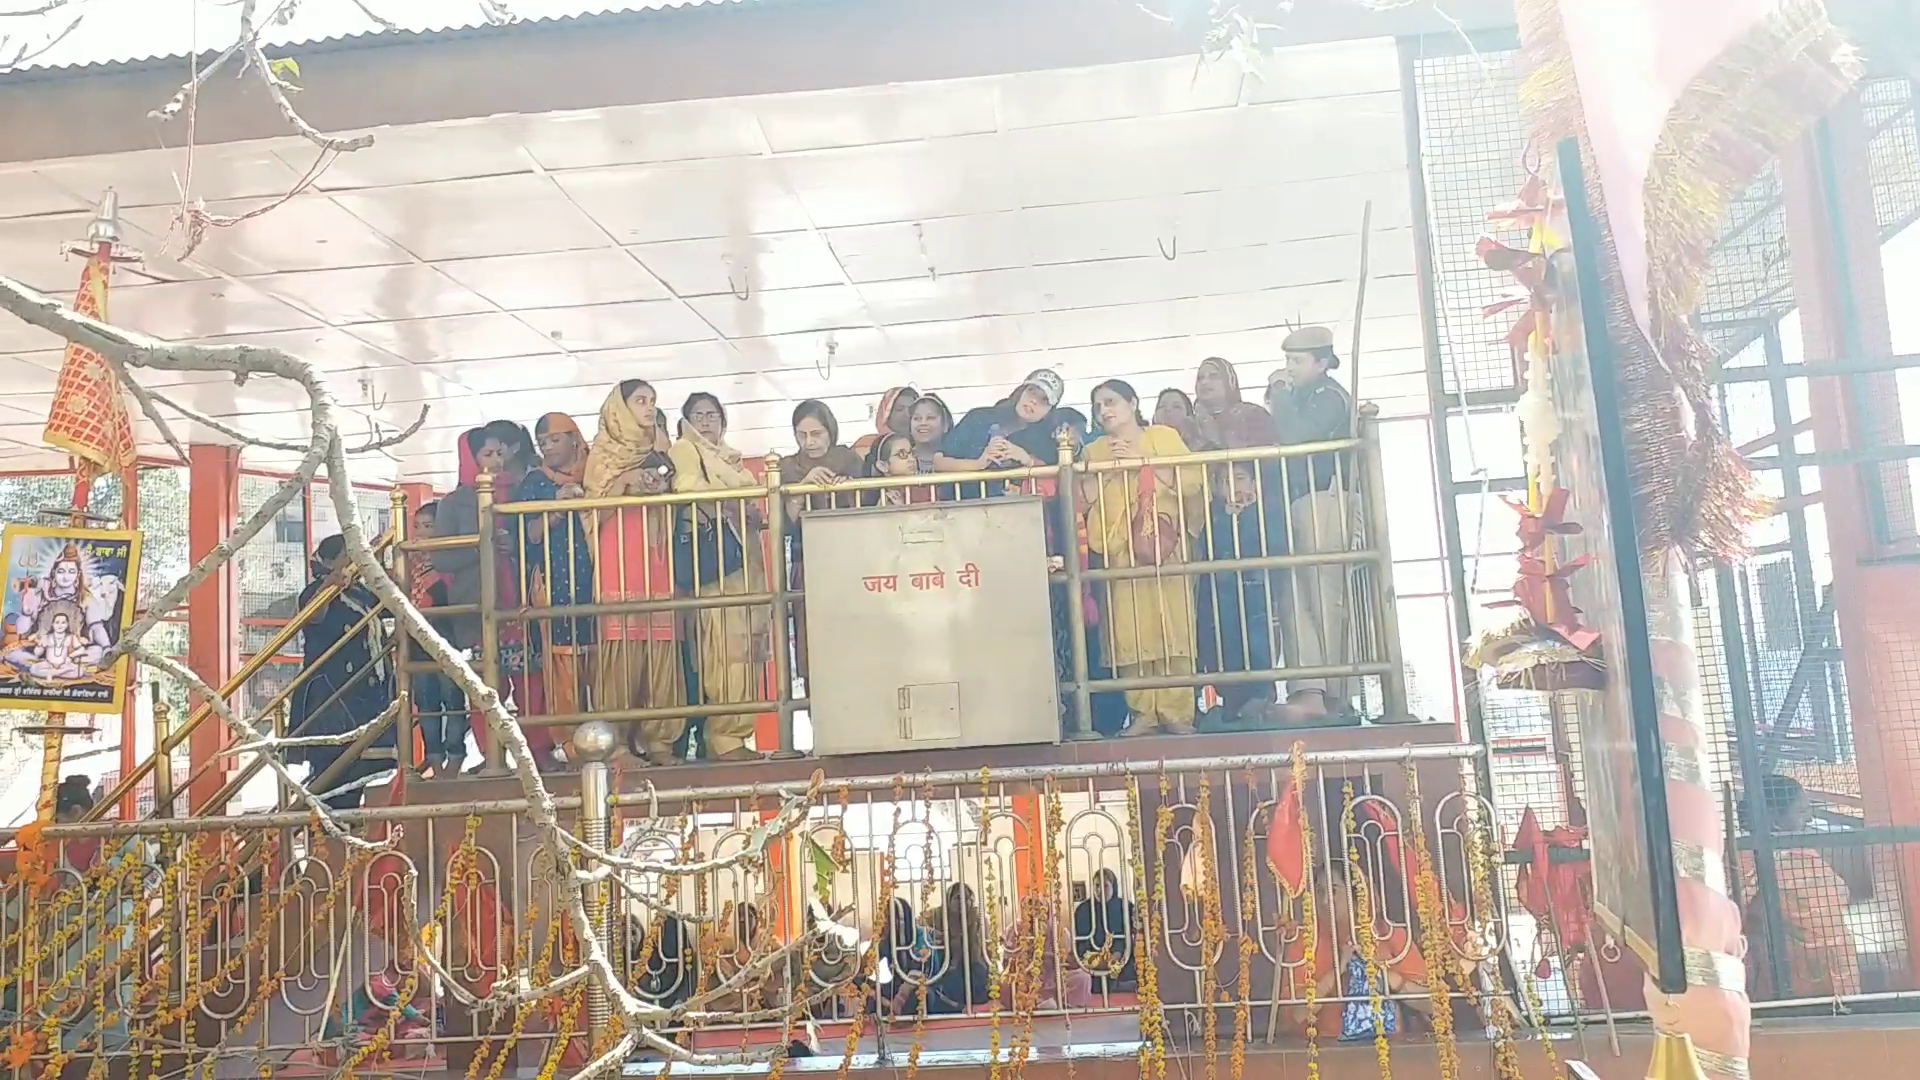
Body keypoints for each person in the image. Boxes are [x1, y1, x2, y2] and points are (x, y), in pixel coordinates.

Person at [1080, 379, 1201, 737]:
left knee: (1173, 625)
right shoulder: (1094, 450)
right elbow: (1084, 497)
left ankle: (1178, 713)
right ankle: (1143, 714)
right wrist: (1111, 471)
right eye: (1098, 405)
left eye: (1112, 401)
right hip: (1122, 551)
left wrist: (1145, 463)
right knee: (1130, 629)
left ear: (1133, 403)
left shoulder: (1162, 436)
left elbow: (1193, 482)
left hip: (1164, 548)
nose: (1105, 410)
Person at [584, 380, 685, 764]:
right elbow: (592, 514)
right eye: (640, 401)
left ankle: (661, 740)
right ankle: (617, 744)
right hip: (618, 560)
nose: (647, 408)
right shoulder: (603, 455)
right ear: (620, 409)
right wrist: (623, 484)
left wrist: (660, 483)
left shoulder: (659, 448)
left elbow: (676, 492)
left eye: (652, 401)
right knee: (622, 649)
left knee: (660, 643)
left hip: (655, 555)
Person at [668, 392, 768, 763]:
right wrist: (730, 497)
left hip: (746, 561)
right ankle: (724, 736)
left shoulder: (729, 456)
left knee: (747, 649)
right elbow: (685, 487)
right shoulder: (686, 449)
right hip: (718, 567)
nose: (707, 422)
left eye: (713, 414)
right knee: (723, 650)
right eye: (699, 415)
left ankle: (739, 733)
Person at [436, 425, 539, 768]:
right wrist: (485, 547)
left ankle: (537, 754)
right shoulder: (453, 503)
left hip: (522, 604)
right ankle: (492, 756)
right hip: (477, 608)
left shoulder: (521, 493)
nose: (496, 461)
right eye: (487, 454)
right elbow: (442, 557)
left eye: (499, 453)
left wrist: (516, 546)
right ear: (471, 458)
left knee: (532, 683)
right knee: (486, 689)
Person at [1267, 326, 1357, 720]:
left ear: (1322, 363)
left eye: (1298, 361)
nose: (1290, 369)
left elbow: (1296, 436)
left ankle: (1332, 694)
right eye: (1288, 360)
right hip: (1303, 501)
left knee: (1324, 595)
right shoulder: (1306, 395)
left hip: (1326, 499)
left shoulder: (1329, 397)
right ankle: (1311, 690)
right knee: (1299, 595)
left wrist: (1281, 396)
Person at [1193, 412, 1286, 725]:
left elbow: (1274, 543)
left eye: (1240, 478)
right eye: (1223, 481)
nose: (1232, 486)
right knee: (1222, 642)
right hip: (1220, 593)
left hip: (1255, 590)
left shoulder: (1265, 511)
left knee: (1258, 640)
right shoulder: (1212, 515)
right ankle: (1230, 700)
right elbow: (1206, 547)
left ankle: (1261, 696)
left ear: (1255, 483)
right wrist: (1225, 516)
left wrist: (1247, 513)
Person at [290, 534, 396, 809]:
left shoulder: (362, 593)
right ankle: (328, 833)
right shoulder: (316, 590)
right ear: (331, 560)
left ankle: (351, 829)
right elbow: (313, 615)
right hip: (332, 692)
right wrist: (329, 586)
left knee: (367, 764)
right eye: (347, 555)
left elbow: (392, 606)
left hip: (367, 692)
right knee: (332, 765)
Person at [1742, 774, 1865, 1000]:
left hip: (1837, 975)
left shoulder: (1804, 854)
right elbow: (1740, 914)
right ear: (1773, 818)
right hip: (1790, 981)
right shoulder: (1750, 860)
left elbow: (1840, 894)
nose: (1808, 819)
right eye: (1800, 811)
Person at [515, 413, 596, 727]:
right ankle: (571, 740)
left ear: (574, 438)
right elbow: (527, 535)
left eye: (554, 439)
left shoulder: (595, 473)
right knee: (564, 656)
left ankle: (611, 739)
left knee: (600, 655)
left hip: (598, 577)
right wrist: (554, 510)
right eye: (542, 442)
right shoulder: (536, 482)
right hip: (556, 579)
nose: (548, 447)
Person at [780, 400, 863, 683]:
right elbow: (786, 522)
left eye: (816, 434)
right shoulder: (788, 467)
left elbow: (865, 508)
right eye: (802, 435)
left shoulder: (850, 460)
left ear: (830, 431)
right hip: (809, 562)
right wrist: (804, 485)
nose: (810, 442)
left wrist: (846, 489)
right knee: (813, 640)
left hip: (850, 561)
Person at [936, 369, 1085, 494]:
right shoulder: (979, 417)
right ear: (1019, 392)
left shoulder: (1047, 440)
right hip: (961, 511)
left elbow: (1057, 481)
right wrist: (978, 464)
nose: (1033, 401)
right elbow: (939, 462)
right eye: (1031, 392)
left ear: (1050, 411)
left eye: (1043, 400)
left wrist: (1027, 460)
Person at [407, 501, 466, 777]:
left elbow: (452, 596)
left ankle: (455, 755)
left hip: (447, 637)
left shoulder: (448, 560)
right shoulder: (408, 561)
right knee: (427, 704)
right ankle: (434, 758)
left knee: (452, 699)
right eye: (417, 527)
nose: (421, 533)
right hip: (417, 642)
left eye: (428, 527)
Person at [926, 882, 992, 1013]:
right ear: (948, 900)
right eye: (958, 898)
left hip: (972, 962)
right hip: (943, 963)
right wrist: (935, 934)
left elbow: (985, 947)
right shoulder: (936, 915)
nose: (964, 902)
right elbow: (920, 928)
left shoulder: (976, 917)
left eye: (968, 898)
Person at [1071, 868, 1138, 993]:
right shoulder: (1083, 910)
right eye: (1096, 885)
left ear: (1114, 887)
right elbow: (1080, 942)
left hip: (1123, 971)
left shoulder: (1125, 907)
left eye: (1105, 886)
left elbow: (1131, 936)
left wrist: (1116, 955)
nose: (1099, 890)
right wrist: (1096, 960)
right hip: (1092, 972)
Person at [1191, 356, 1271, 453]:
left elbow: (1266, 456)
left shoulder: (1254, 414)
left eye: (1214, 376)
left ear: (1229, 382)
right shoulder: (1189, 424)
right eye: (1200, 378)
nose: (1204, 382)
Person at [852, 385, 919, 458]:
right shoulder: (866, 445)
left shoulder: (927, 446)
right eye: (899, 409)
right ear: (886, 414)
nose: (907, 414)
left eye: (911, 409)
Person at [862, 431, 921, 506]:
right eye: (902, 454)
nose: (912, 459)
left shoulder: (925, 489)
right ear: (882, 466)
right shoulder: (875, 500)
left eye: (912, 453)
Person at [906, 394, 954, 476]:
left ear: (945, 424)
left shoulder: (956, 457)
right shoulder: (902, 459)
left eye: (930, 418)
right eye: (917, 418)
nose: (923, 423)